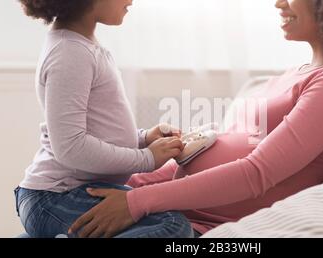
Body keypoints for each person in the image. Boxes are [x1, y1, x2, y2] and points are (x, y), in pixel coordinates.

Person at [69, 0, 323, 238]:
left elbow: (257, 173)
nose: (278, 4)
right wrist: (132, 183)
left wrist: (136, 201)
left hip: (194, 224)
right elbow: (221, 149)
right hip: (170, 203)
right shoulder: (293, 74)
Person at [14, 0, 192, 238]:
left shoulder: (80, 46)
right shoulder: (70, 53)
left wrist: (143, 138)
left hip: (67, 192)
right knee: (172, 226)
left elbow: (97, 129)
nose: (131, 1)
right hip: (55, 196)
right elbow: (71, 147)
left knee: (165, 215)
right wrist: (146, 158)